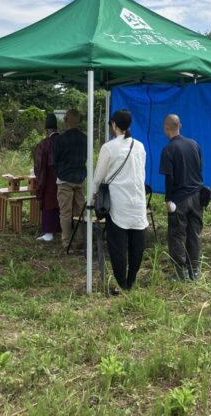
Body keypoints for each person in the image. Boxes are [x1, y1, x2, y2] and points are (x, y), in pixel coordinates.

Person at [93, 109, 148, 293]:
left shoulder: (108, 147)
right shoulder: (140, 146)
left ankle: (122, 284)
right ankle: (131, 282)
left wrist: (92, 198)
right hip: (138, 202)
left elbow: (98, 177)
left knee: (118, 247)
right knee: (136, 246)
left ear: (114, 125)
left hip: (118, 204)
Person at [159, 114, 204, 281]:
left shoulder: (169, 149)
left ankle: (181, 273)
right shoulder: (194, 144)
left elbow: (169, 178)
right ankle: (195, 271)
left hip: (179, 198)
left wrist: (168, 199)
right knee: (194, 233)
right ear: (180, 126)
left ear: (166, 127)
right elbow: (200, 168)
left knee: (177, 234)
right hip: (197, 195)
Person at [53, 109, 87, 251]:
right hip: (79, 179)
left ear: (67, 120)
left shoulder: (60, 139)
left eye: (65, 118)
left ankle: (66, 243)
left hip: (65, 179)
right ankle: (80, 240)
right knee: (80, 212)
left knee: (65, 213)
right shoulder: (85, 139)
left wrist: (59, 172)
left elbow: (55, 159)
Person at [33, 114, 60, 242]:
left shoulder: (44, 144)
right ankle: (61, 229)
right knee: (61, 203)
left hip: (49, 179)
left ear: (46, 131)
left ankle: (49, 232)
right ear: (57, 128)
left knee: (49, 202)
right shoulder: (63, 141)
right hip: (63, 178)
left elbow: (39, 165)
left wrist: (37, 175)